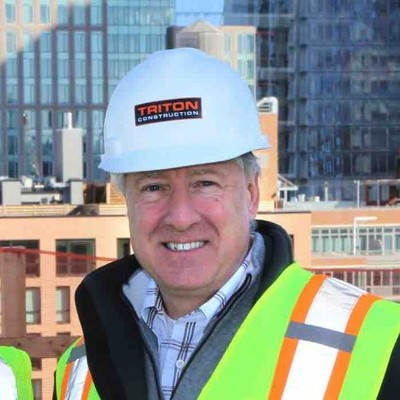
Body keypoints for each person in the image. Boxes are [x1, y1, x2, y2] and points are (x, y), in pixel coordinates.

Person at [55, 48, 400, 399]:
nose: (181, 217)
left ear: (251, 194)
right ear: (126, 201)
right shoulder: (77, 372)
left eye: (205, 183)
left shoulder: (379, 345)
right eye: (153, 187)